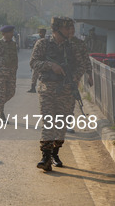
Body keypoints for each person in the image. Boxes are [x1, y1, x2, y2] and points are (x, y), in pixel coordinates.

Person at [30, 17, 85, 171]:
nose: (70, 31)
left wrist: (75, 76)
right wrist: (50, 65)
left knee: (61, 125)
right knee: (48, 122)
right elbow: (33, 62)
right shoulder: (43, 44)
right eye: (67, 28)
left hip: (66, 91)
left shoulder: (72, 47)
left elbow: (81, 65)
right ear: (57, 29)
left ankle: (55, 152)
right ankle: (45, 156)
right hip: (47, 89)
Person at [28, 28, 47, 93]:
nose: (40, 34)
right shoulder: (45, 41)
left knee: (37, 75)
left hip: (40, 61)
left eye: (41, 32)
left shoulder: (42, 41)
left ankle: (36, 88)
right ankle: (34, 88)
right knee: (36, 75)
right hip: (41, 61)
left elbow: (35, 53)